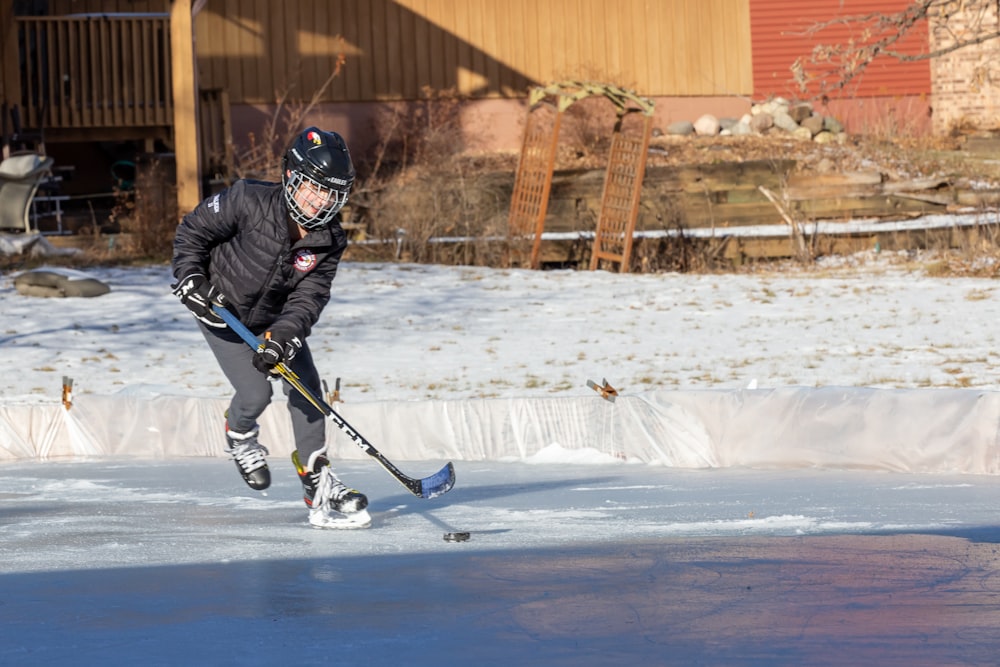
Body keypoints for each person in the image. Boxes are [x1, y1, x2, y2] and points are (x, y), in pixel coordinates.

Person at [171, 127, 370, 529]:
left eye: (330, 194)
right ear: (291, 179)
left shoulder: (328, 240)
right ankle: (239, 433)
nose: (319, 202)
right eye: (312, 189)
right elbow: (192, 232)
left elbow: (309, 297)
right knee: (256, 392)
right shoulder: (246, 199)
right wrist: (191, 279)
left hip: (273, 324)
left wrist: (283, 338)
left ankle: (317, 478)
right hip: (219, 312)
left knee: (307, 390)